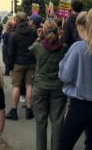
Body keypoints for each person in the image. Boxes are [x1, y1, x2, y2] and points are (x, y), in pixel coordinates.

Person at [58, 9, 92, 150]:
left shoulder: (77, 48)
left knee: (65, 144)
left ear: (80, 27)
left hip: (80, 105)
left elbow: (64, 75)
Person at [29, 19, 67, 150]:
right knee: (57, 122)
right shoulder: (63, 48)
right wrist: (60, 38)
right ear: (58, 31)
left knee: (40, 122)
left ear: (43, 32)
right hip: (58, 87)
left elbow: (30, 49)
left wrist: (39, 38)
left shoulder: (37, 47)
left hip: (40, 86)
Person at [6, 12, 36, 120]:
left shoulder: (14, 34)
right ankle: (29, 110)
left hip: (18, 63)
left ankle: (14, 111)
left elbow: (10, 53)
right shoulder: (33, 31)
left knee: (16, 86)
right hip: (31, 62)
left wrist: (8, 68)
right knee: (29, 86)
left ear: (17, 20)